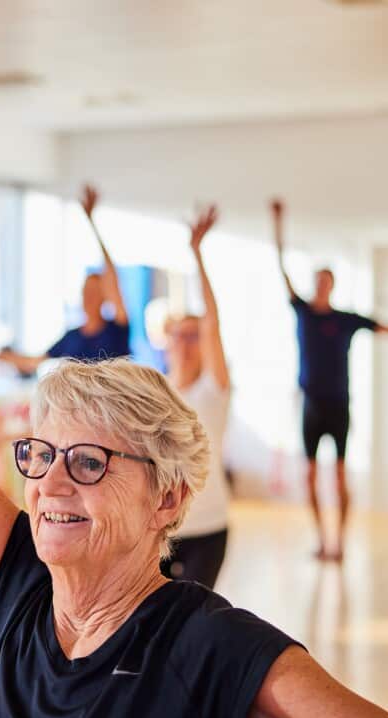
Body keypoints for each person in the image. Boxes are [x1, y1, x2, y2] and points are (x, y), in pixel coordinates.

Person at [0, 83, 388, 718]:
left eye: (87, 462)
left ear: (168, 497)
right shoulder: (16, 578)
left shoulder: (213, 645)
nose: (50, 484)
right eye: (41, 456)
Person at [273, 199, 388, 562]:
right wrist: (277, 223)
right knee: (309, 477)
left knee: (339, 478)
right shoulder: (303, 312)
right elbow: (281, 268)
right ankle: (321, 539)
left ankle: (338, 541)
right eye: (317, 281)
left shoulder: (345, 319)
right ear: (314, 285)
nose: (321, 286)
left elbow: (386, 328)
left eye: (326, 282)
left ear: (333, 286)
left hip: (339, 406)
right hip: (311, 405)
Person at [159, 203, 231, 588]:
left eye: (195, 335)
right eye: (179, 335)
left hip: (209, 529)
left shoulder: (213, 390)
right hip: (160, 531)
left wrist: (197, 254)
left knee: (192, 626)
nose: (187, 342)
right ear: (166, 340)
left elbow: (213, 325)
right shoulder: (155, 391)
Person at [0, 184, 131, 372]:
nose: (88, 297)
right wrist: (0, 357)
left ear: (105, 297)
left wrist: (92, 223)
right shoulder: (72, 337)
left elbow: (112, 278)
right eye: (86, 291)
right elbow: (34, 362)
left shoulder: (115, 330)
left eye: (94, 291)